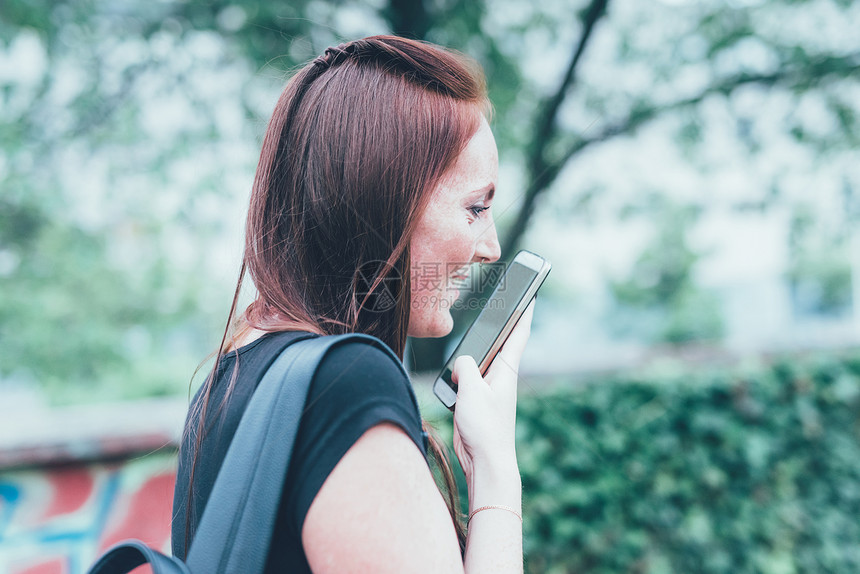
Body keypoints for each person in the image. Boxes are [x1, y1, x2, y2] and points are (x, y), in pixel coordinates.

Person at [171, 34, 535, 573]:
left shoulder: (229, 376)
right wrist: (496, 470)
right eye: (476, 207)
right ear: (387, 200)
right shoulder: (347, 384)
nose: (491, 247)